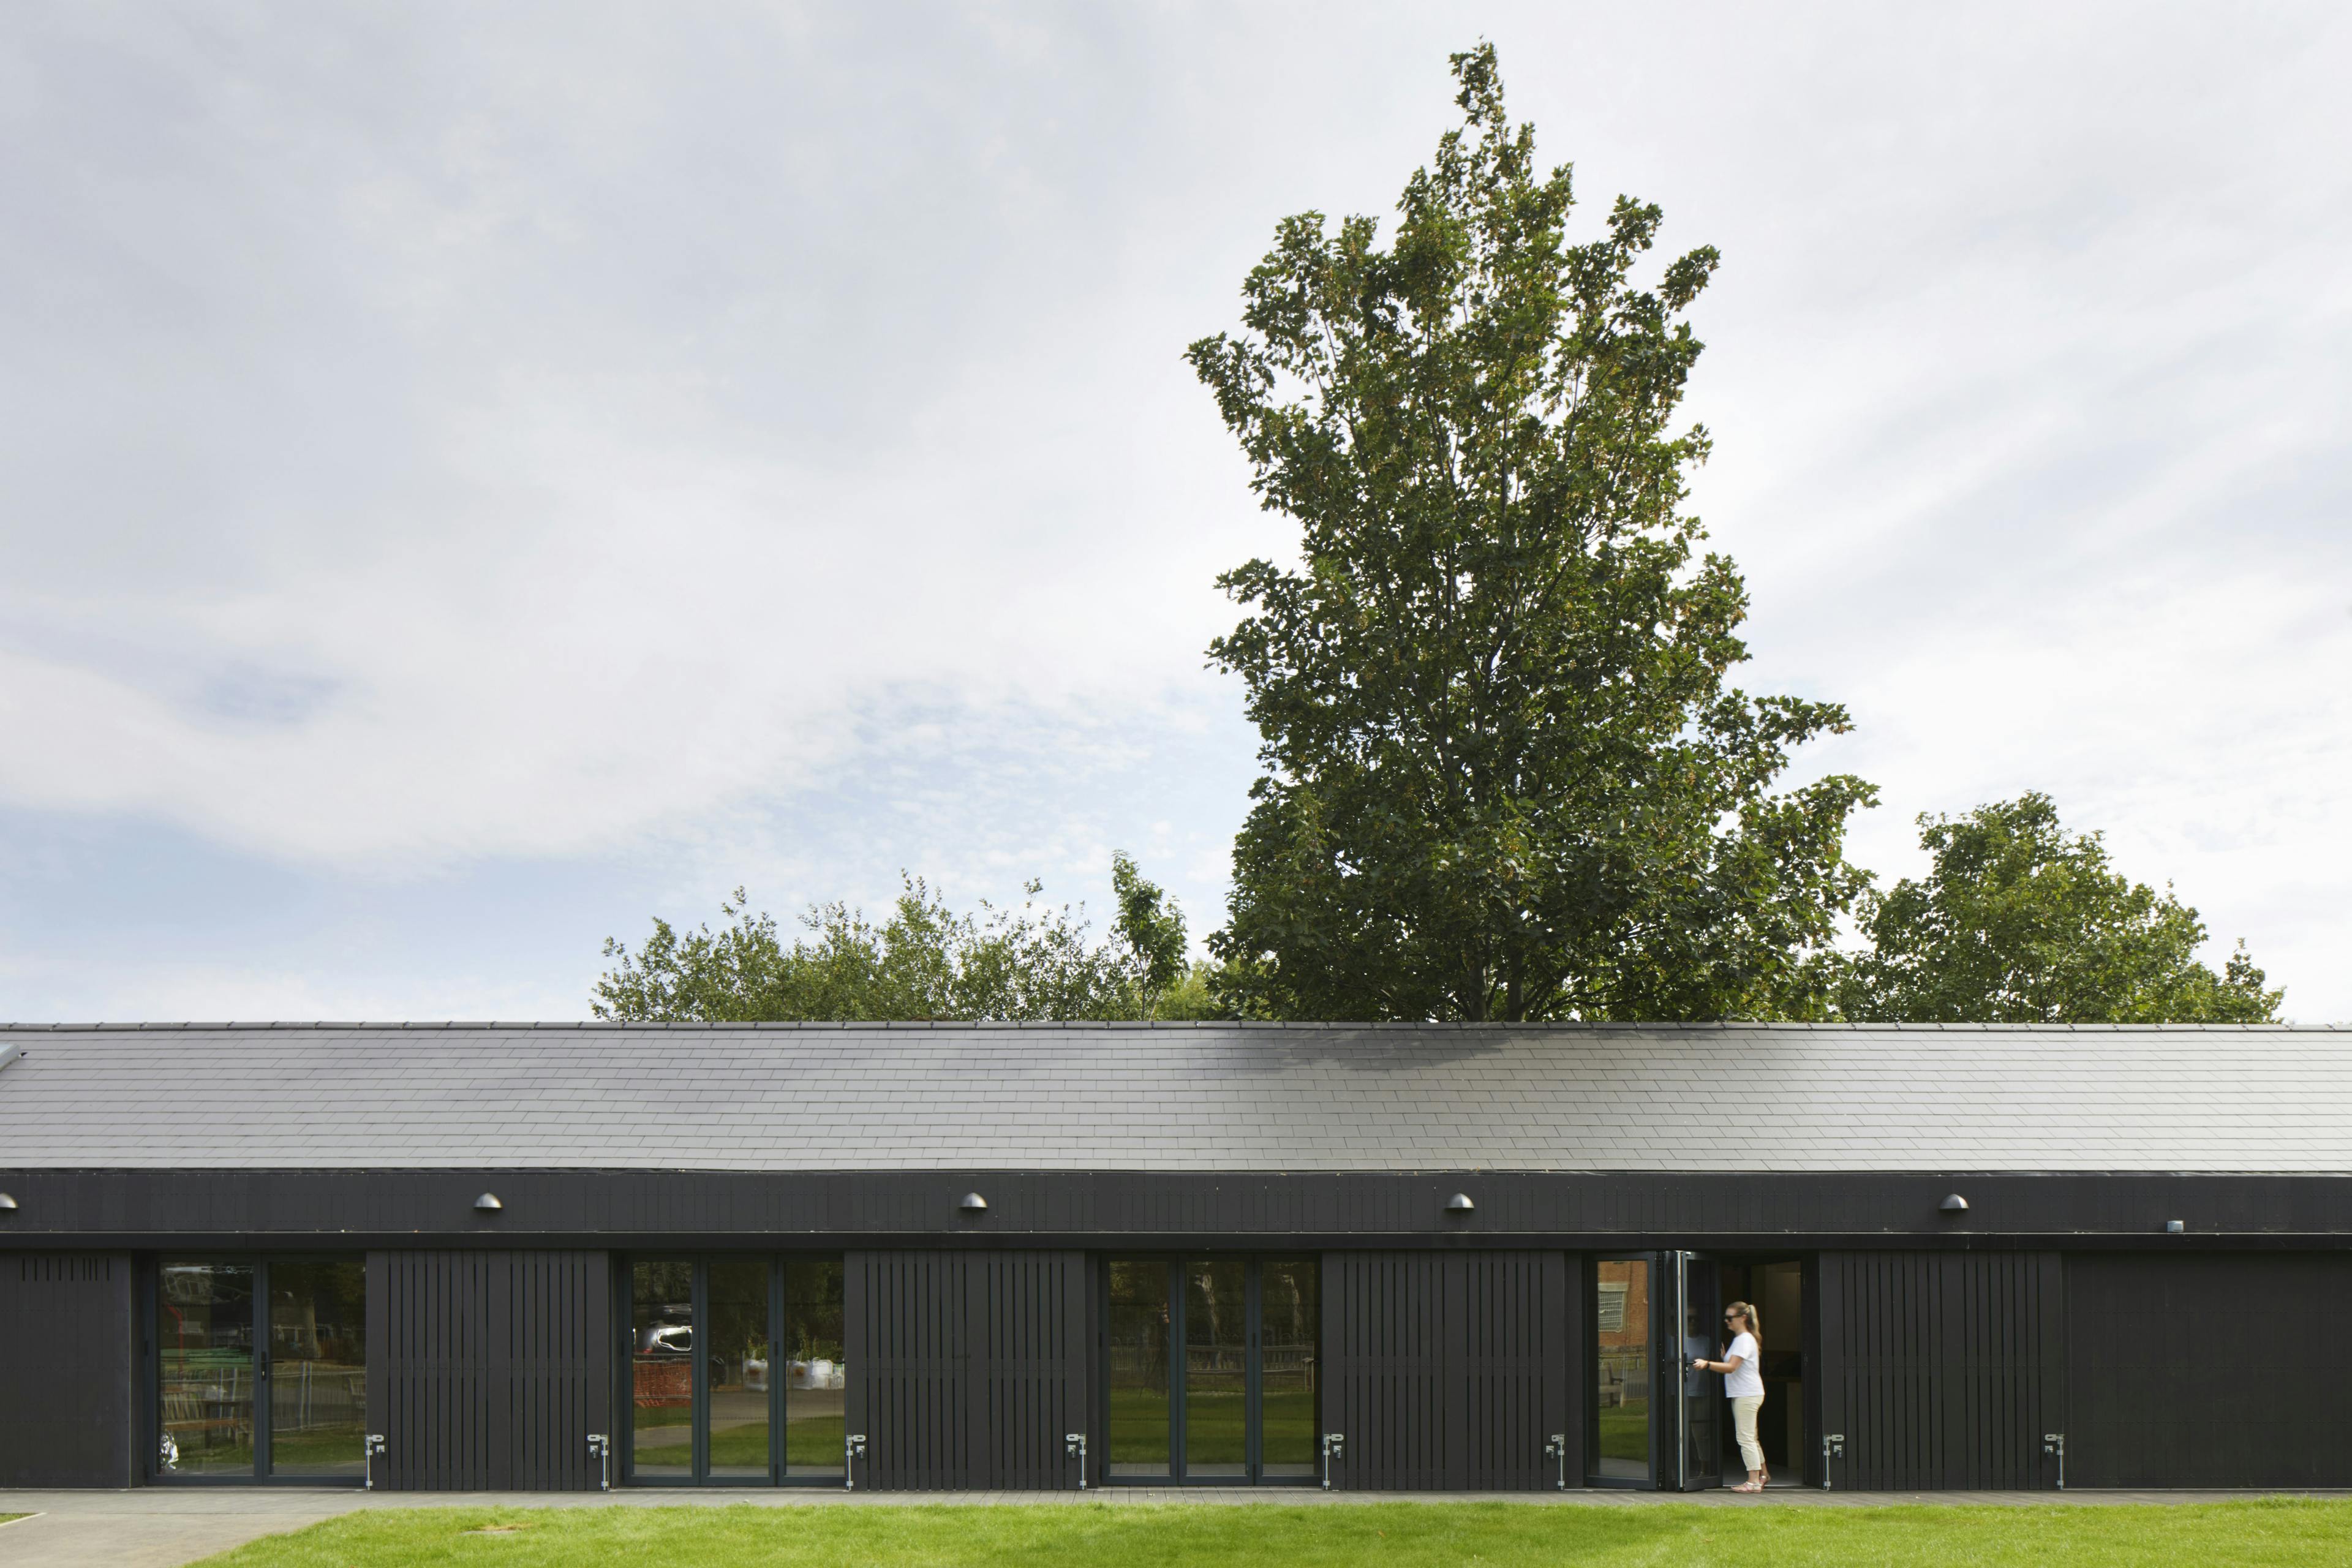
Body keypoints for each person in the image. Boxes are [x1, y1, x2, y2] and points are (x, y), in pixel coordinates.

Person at [1689, 1301, 1767, 1491]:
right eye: (1725, 1318)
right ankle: (1763, 1475)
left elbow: (1732, 1368)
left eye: (1730, 1318)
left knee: (1745, 1438)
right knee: (1752, 1438)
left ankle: (1753, 1482)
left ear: (1743, 1318)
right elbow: (1734, 1364)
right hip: (1748, 1393)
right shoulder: (1742, 1339)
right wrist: (1724, 1358)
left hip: (1746, 1394)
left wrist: (1707, 1364)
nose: (1726, 1321)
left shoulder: (1744, 1340)